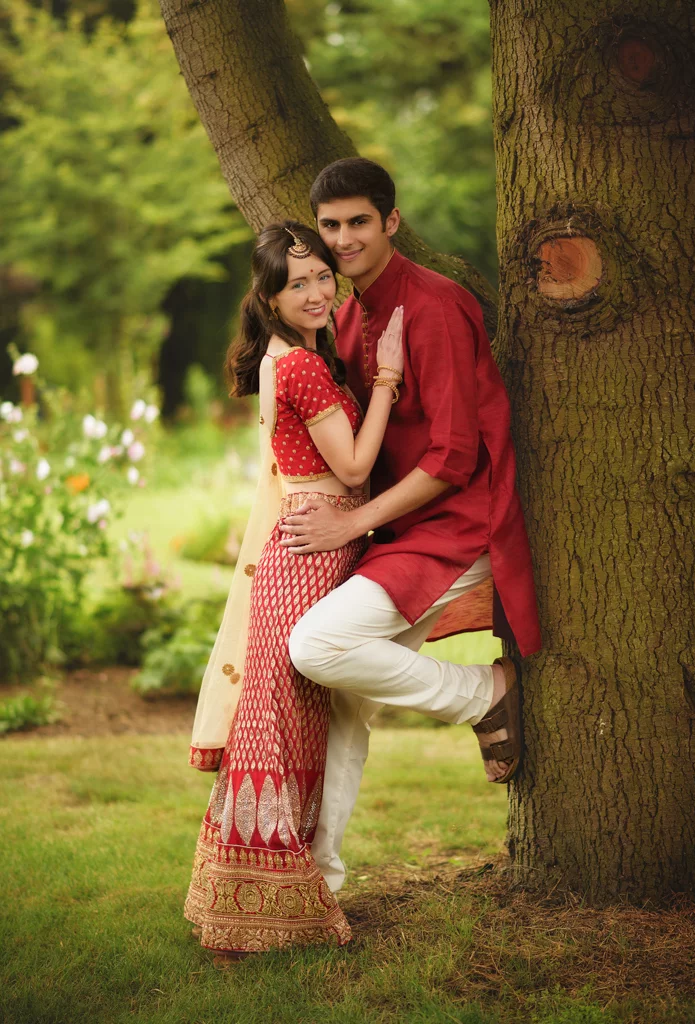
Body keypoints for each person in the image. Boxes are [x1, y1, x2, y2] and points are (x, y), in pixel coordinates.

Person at [279, 158, 542, 896]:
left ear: (390, 221)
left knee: (316, 646)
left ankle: (485, 692)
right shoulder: (345, 314)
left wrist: (351, 525)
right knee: (343, 704)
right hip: (399, 532)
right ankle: (319, 885)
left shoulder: (434, 306)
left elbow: (453, 458)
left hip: (459, 525)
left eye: (359, 222)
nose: (344, 239)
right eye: (330, 226)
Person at [184, 220, 404, 956]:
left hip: (309, 551)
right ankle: (260, 912)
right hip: (307, 559)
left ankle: (256, 907)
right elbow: (352, 468)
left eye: (321, 278)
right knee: (279, 726)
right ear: (271, 298)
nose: (316, 293)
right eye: (296, 284)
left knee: (287, 723)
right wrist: (388, 381)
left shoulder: (291, 356)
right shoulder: (304, 366)